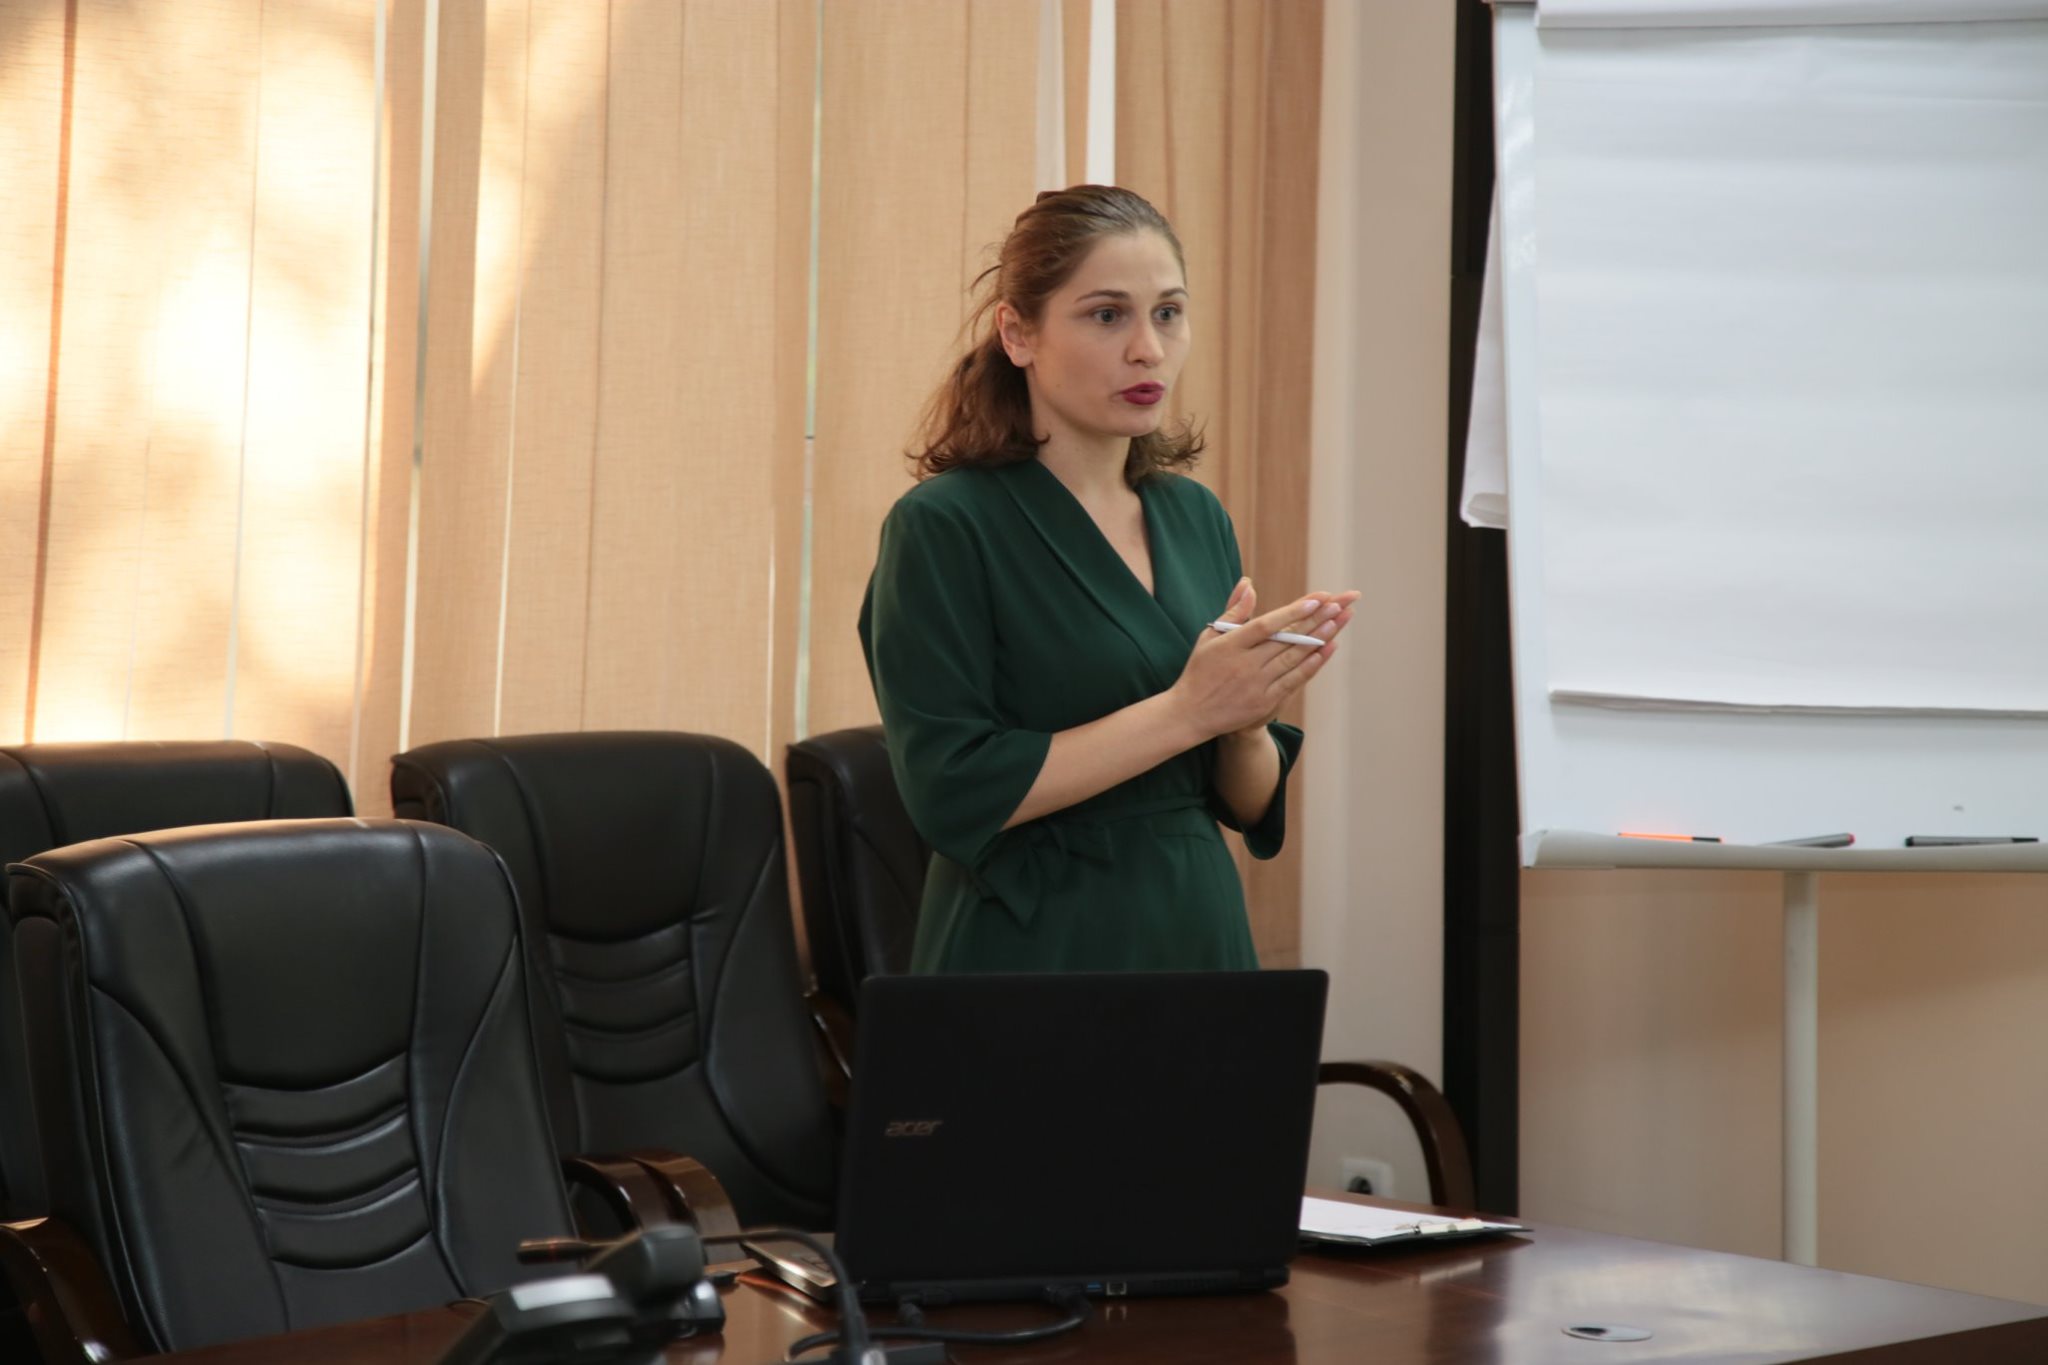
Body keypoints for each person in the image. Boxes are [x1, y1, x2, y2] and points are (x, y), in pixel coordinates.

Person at [859, 185, 1359, 973]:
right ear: (1018, 333)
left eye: (1168, 313)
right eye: (1106, 315)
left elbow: (1245, 802)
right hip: (1032, 948)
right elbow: (949, 789)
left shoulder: (1194, 515)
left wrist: (1245, 719)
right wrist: (1191, 709)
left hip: (1198, 934)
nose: (1148, 349)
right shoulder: (944, 525)